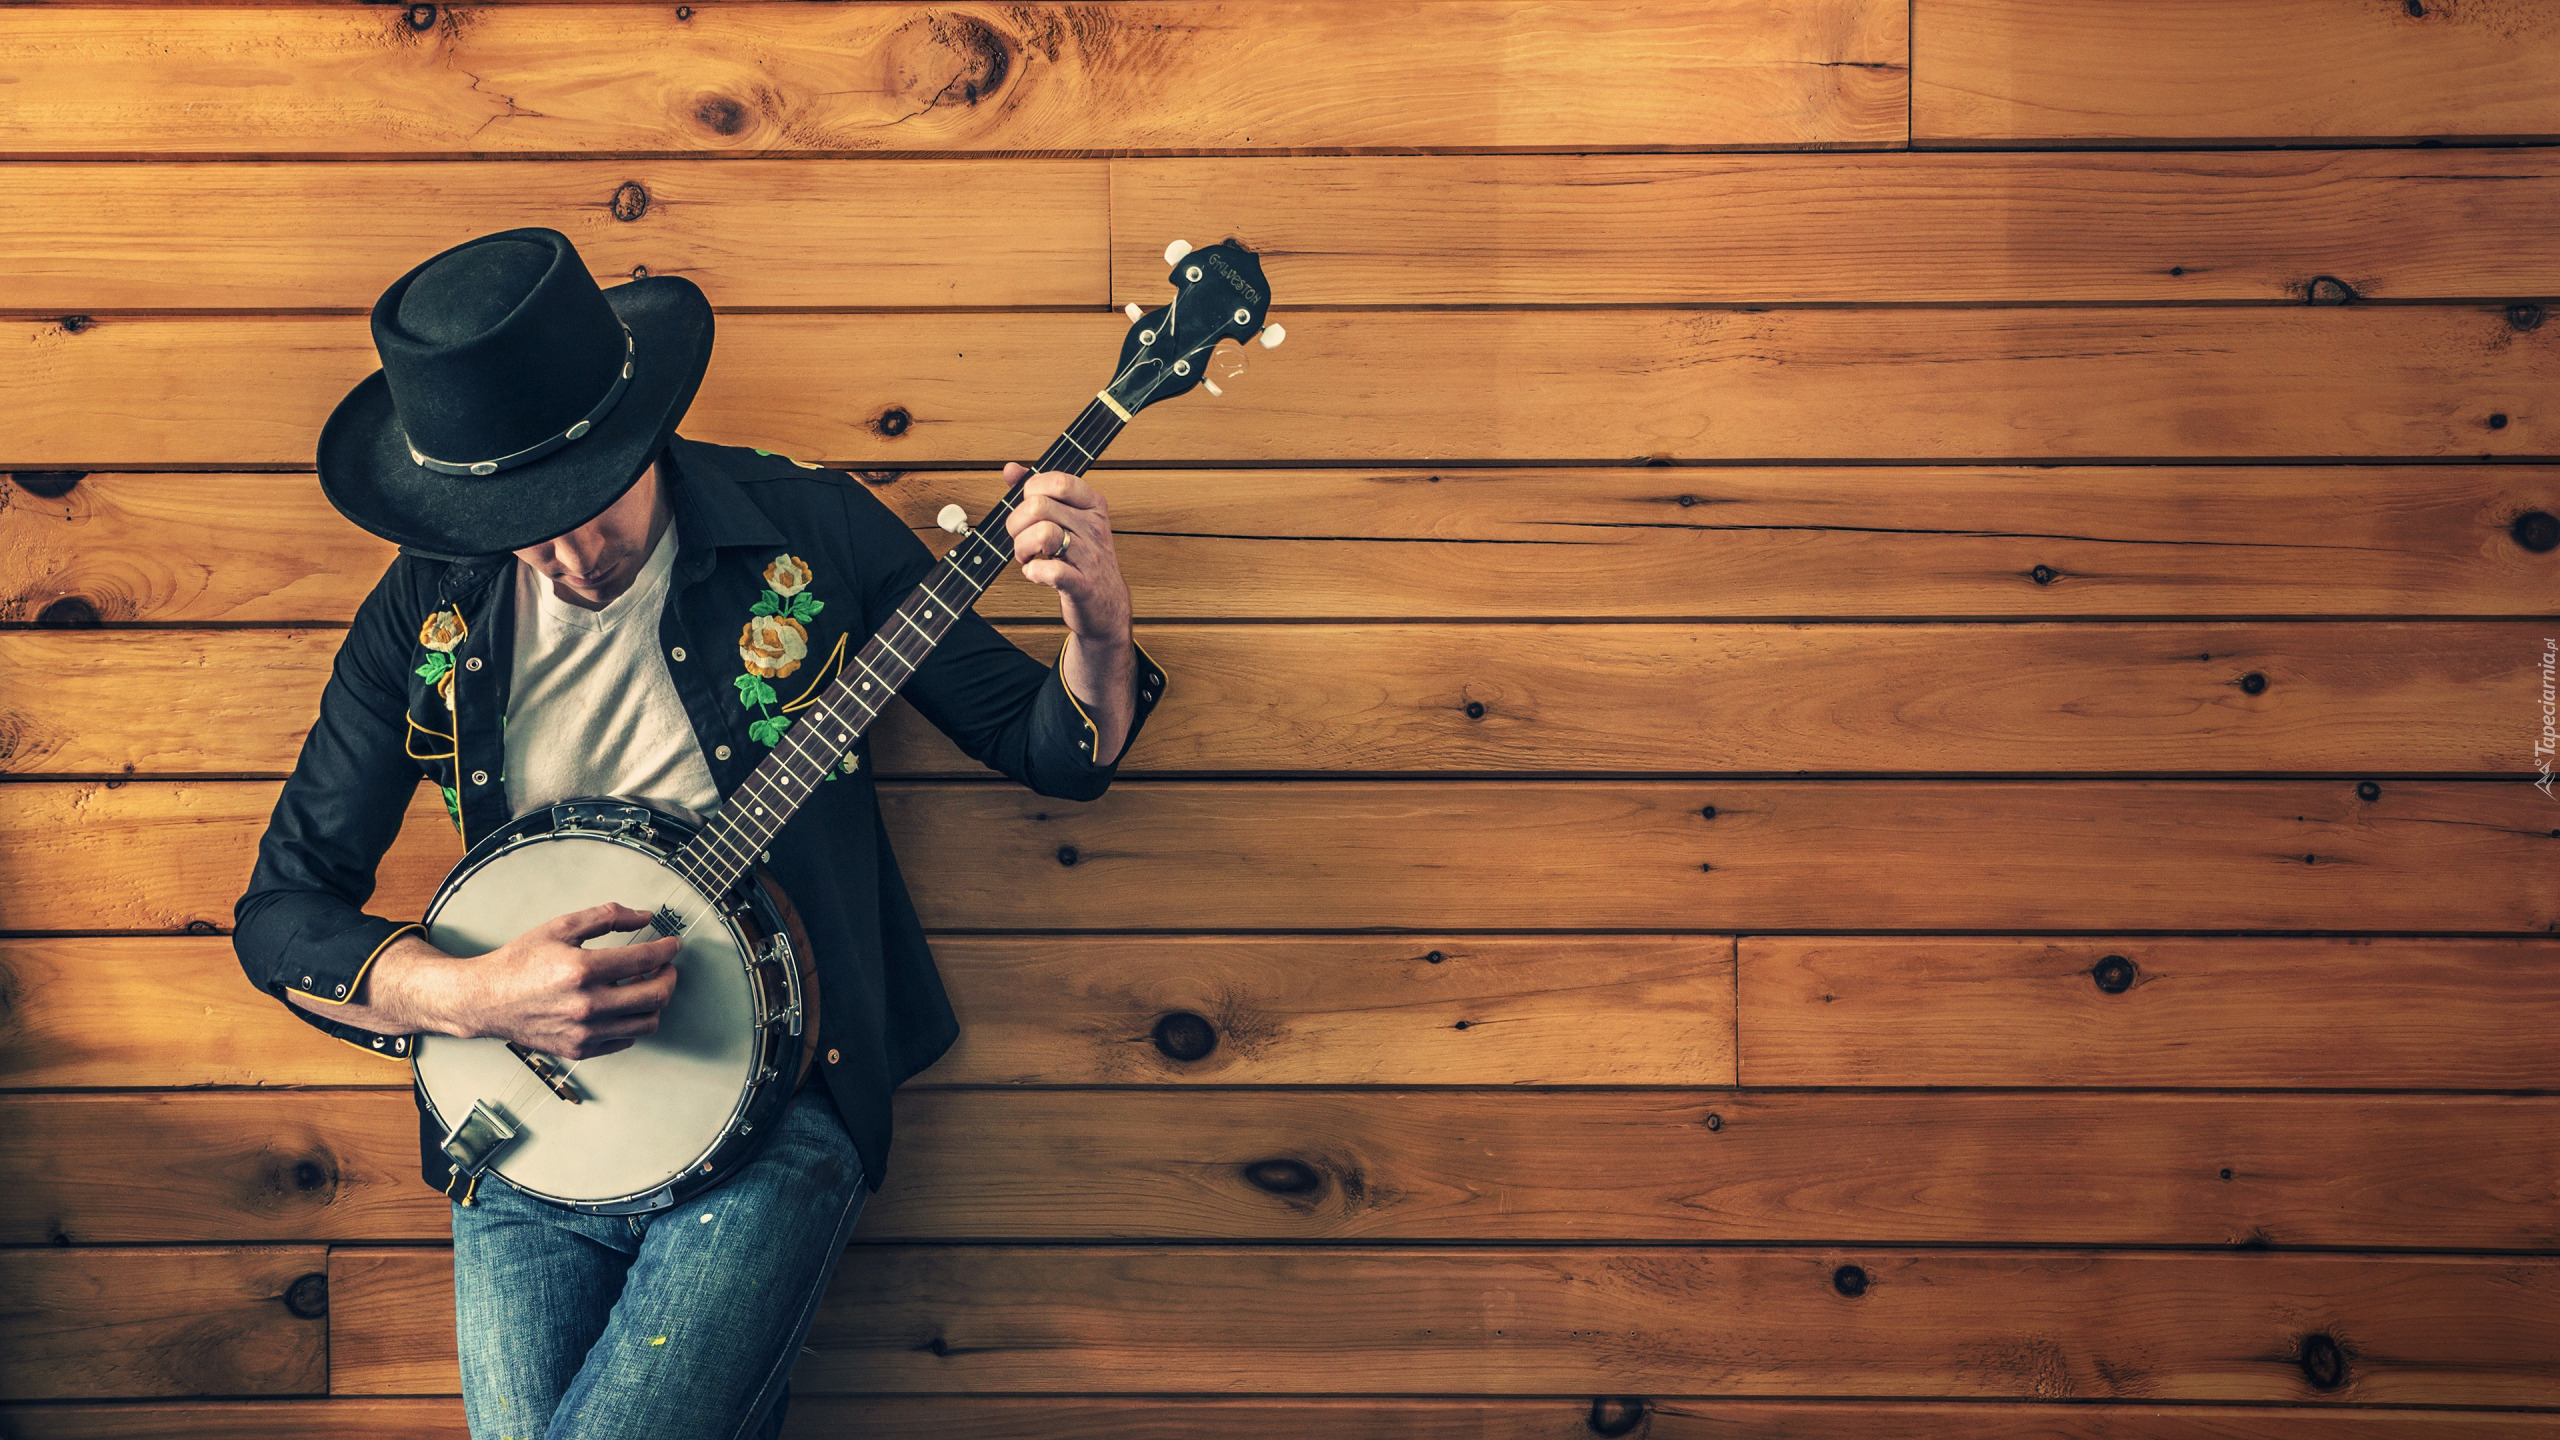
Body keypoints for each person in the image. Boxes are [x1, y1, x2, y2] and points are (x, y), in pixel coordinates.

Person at [231, 227, 1165, 1439]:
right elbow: (281, 913)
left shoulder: (810, 530)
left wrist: (1096, 617)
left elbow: (1050, 752)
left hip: (782, 1107)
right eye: (518, 523)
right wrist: (473, 998)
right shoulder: (427, 601)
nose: (563, 556)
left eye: (580, 506)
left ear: (640, 432)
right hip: (522, 1139)